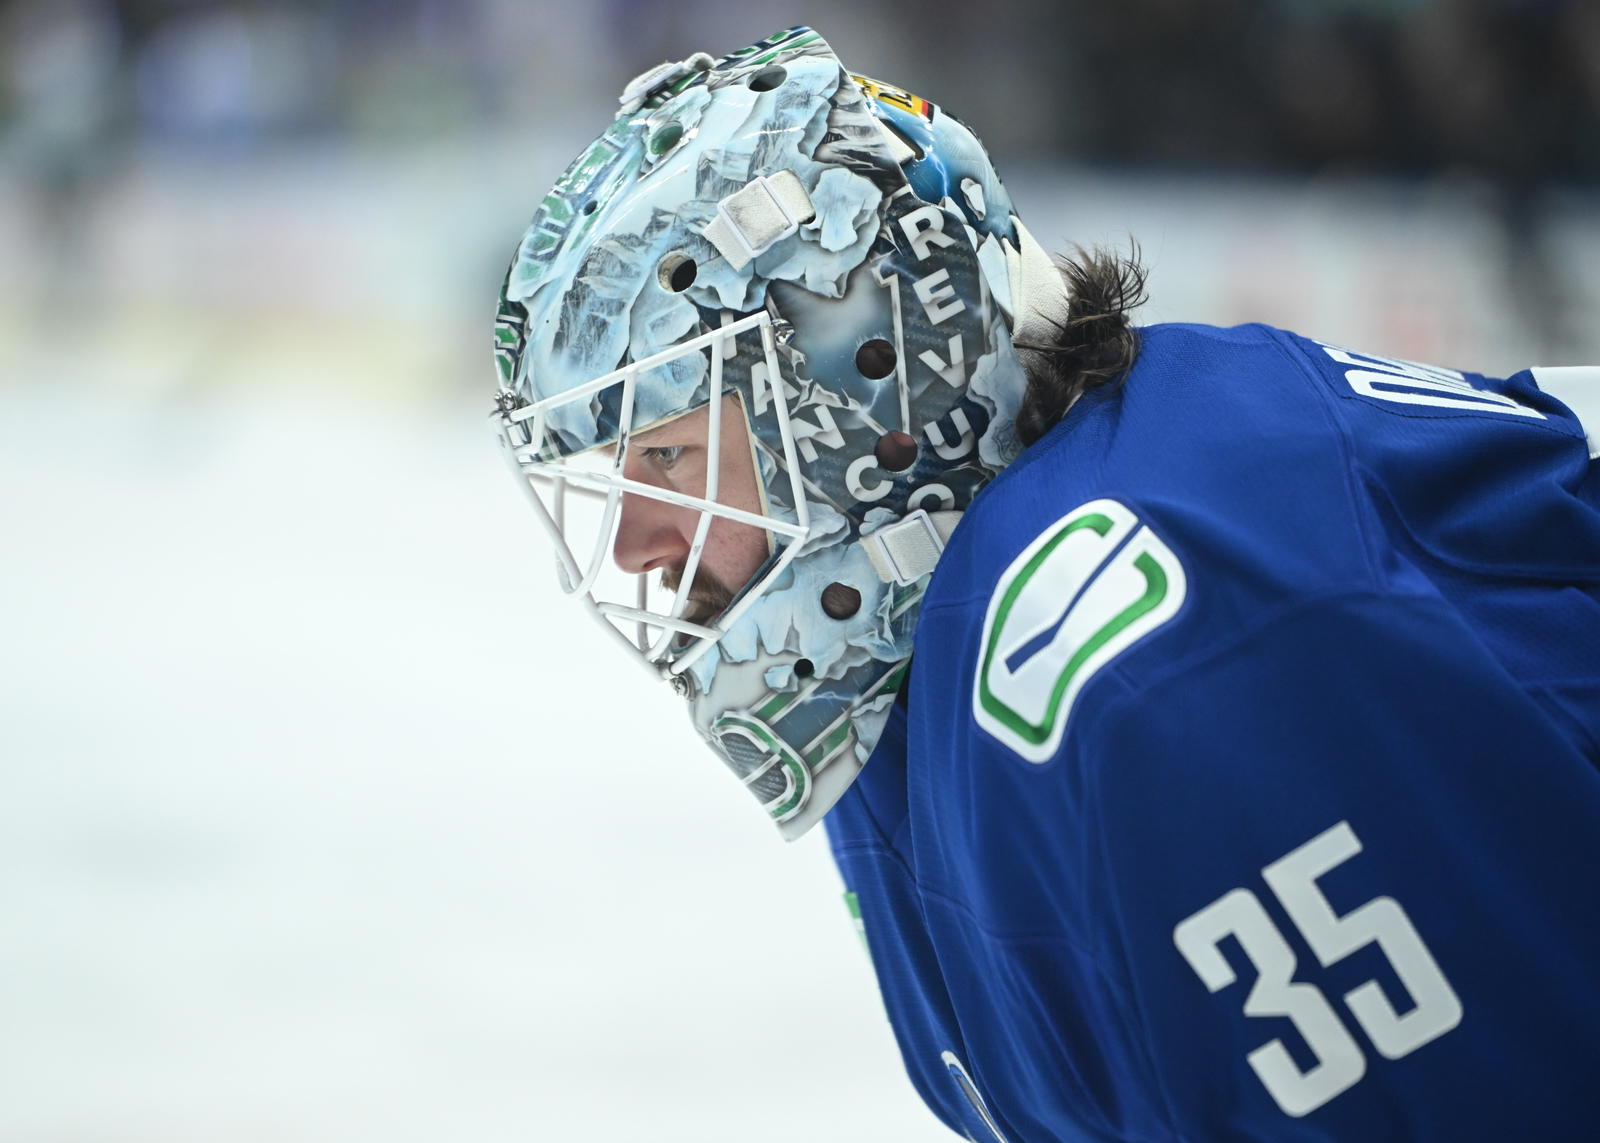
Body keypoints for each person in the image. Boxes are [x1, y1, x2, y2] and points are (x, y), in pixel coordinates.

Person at [489, 25, 1600, 1142]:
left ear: (861, 384)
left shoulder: (1171, 656)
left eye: (667, 457)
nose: (631, 545)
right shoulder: (909, 669)